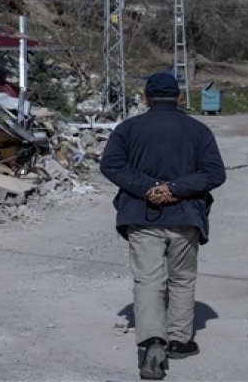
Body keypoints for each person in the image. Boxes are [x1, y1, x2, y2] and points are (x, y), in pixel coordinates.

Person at [100, 72, 226, 380]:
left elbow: (111, 165)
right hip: (186, 217)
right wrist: (175, 189)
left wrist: (148, 188)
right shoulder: (198, 130)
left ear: (145, 98)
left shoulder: (127, 128)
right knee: (181, 280)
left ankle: (153, 342)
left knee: (149, 281)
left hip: (142, 217)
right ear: (179, 97)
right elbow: (215, 173)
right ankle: (180, 341)